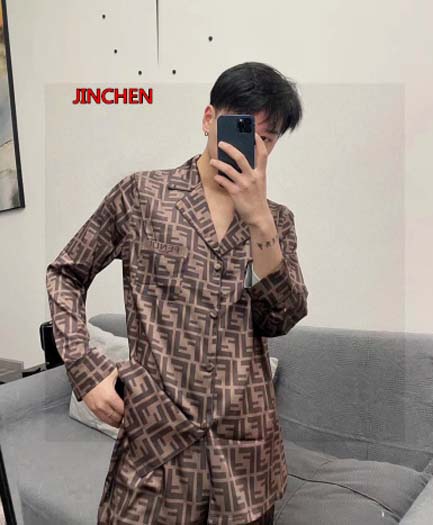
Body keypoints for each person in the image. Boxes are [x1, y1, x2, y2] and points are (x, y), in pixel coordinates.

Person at [46, 61, 309, 525]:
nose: (253, 146)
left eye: (267, 139)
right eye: (242, 128)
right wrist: (85, 368)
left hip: (245, 461)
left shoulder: (277, 221)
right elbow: (66, 272)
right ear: (209, 119)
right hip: (156, 449)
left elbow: (280, 318)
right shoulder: (141, 196)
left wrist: (259, 221)